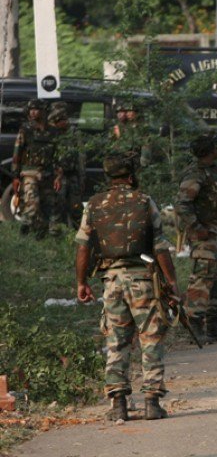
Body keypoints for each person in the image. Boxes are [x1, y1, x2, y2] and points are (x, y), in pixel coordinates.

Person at [75, 151, 179, 421]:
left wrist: (81, 282)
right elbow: (160, 246)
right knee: (150, 338)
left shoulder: (95, 204)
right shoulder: (145, 201)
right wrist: (171, 282)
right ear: (131, 176)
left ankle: (118, 404)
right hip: (143, 280)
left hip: (111, 282)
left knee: (116, 341)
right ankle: (152, 403)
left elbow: (83, 247)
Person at [175, 132, 217, 343]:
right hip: (204, 236)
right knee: (202, 279)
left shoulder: (214, 171)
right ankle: (194, 323)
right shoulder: (195, 175)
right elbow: (182, 204)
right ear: (212, 150)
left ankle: (214, 323)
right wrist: (196, 227)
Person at [11, 99, 63, 238]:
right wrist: (15, 176)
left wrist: (58, 176)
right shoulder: (25, 130)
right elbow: (17, 153)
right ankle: (24, 231)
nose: (33, 112)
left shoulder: (53, 131)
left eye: (36, 109)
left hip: (47, 173)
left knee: (49, 206)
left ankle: (41, 235)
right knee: (32, 205)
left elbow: (58, 155)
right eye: (31, 110)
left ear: (43, 111)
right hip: (29, 173)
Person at [49, 102, 85, 226]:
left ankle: (77, 235)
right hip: (57, 176)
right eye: (58, 120)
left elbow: (81, 157)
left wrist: (81, 178)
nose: (63, 122)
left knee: (76, 208)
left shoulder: (74, 133)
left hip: (72, 175)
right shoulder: (51, 133)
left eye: (64, 118)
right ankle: (55, 234)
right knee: (57, 207)